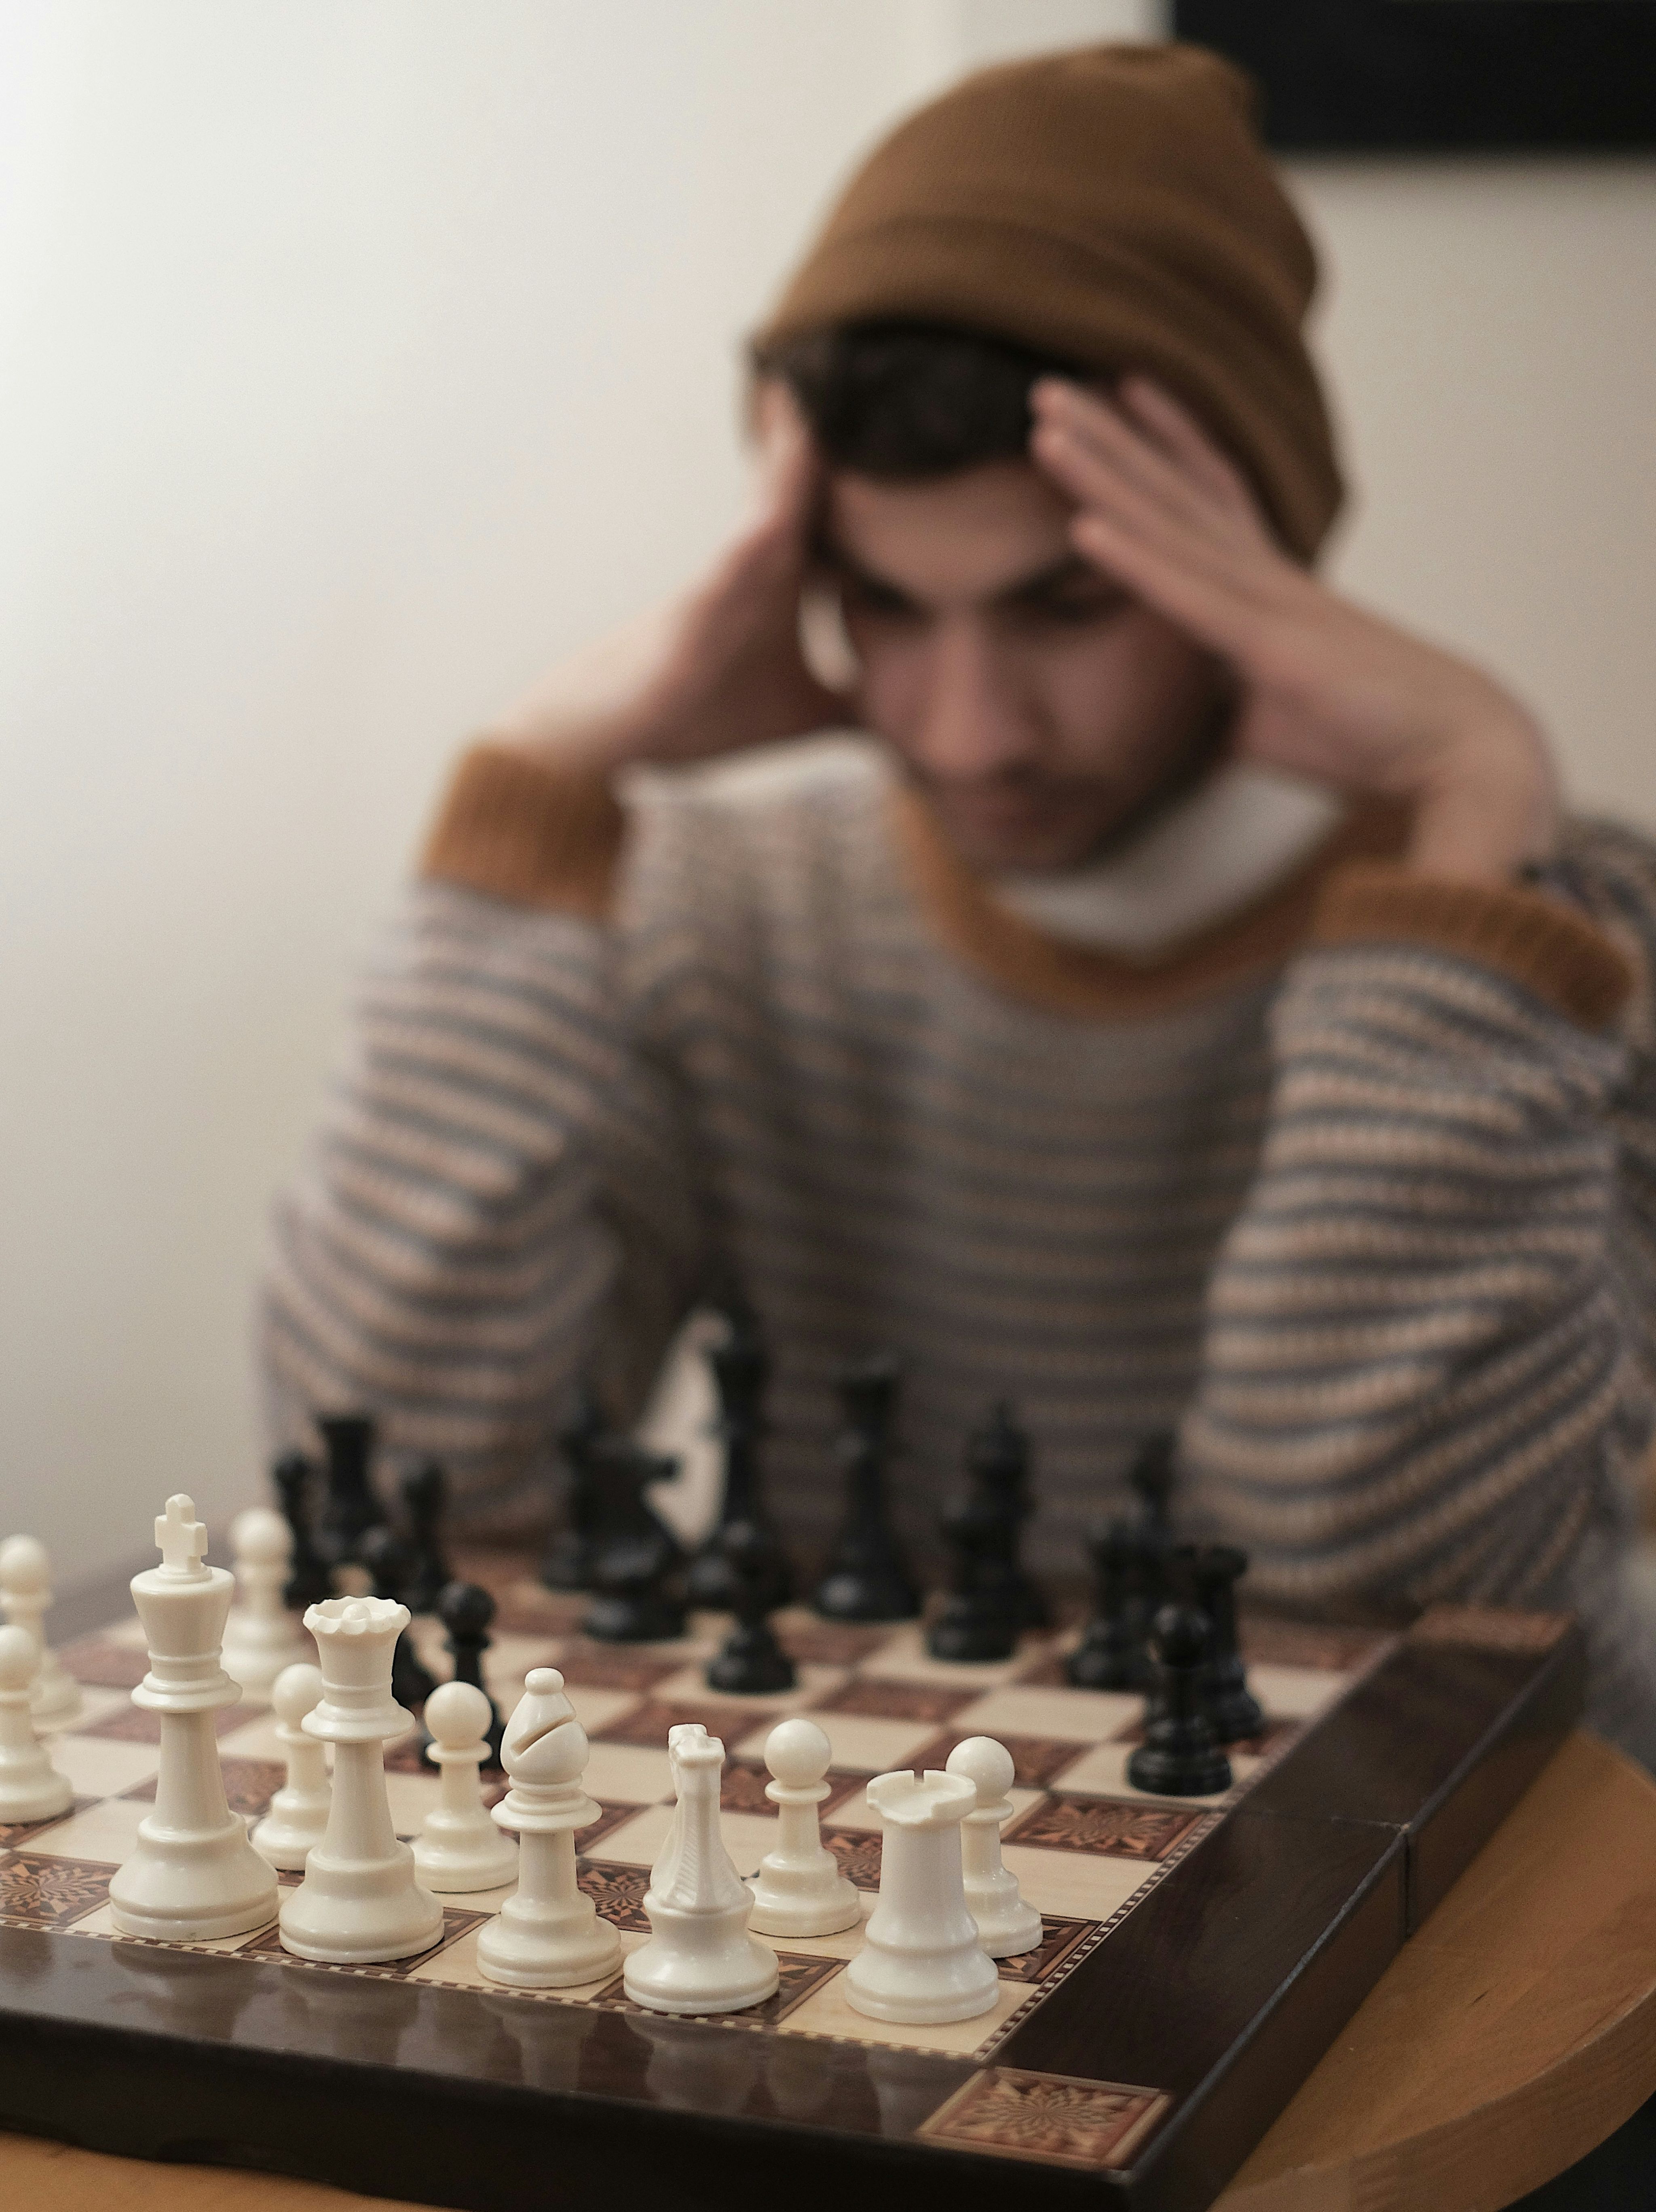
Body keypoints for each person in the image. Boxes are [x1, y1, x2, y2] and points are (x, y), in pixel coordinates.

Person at [258, 42, 1656, 1764]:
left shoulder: (1548, 924)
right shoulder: (727, 912)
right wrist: (531, 796)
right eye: (882, 609)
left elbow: (1379, 1621)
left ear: (1252, 555)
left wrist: (1465, 819)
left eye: (1067, 607)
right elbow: (411, 1498)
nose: (968, 732)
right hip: (863, 1881)